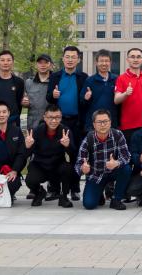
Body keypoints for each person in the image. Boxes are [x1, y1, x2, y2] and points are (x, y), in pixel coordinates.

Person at [48, 45, 88, 200]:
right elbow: (48, 98)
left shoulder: (83, 77)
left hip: (77, 122)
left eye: (73, 57)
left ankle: (74, 188)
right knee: (55, 153)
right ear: (63, 58)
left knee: (76, 154)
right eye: (67, 57)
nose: (70, 60)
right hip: (58, 122)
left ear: (78, 60)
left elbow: (84, 102)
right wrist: (53, 95)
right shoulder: (55, 76)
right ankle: (54, 188)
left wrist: (86, 99)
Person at [76, 108, 133, 210]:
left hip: (113, 171)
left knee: (126, 169)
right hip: (96, 175)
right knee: (89, 204)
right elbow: (78, 163)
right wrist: (83, 169)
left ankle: (116, 199)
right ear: (94, 124)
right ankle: (99, 194)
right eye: (99, 122)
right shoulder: (88, 139)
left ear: (110, 122)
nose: (103, 125)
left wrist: (117, 163)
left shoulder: (118, 135)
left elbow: (127, 156)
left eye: (105, 121)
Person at [24, 104, 75, 207]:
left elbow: (73, 154)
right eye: (50, 117)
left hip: (57, 165)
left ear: (61, 117)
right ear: (45, 118)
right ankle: (39, 192)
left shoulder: (65, 131)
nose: (54, 121)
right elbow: (26, 155)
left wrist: (67, 146)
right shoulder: (36, 131)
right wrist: (28, 147)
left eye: (57, 117)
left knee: (68, 169)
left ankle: (64, 196)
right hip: (40, 165)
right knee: (30, 180)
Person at [114, 47, 142, 140]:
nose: (135, 59)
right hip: (128, 125)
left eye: (138, 57)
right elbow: (116, 100)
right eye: (132, 57)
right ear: (127, 59)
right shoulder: (121, 78)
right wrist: (125, 94)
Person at [82, 49, 118, 130]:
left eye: (106, 61)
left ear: (110, 62)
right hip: (93, 124)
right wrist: (86, 98)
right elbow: (82, 103)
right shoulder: (89, 80)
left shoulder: (116, 79)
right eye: (101, 61)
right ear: (96, 62)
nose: (104, 63)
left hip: (112, 123)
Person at [25, 54, 54, 131]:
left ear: (51, 65)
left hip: (52, 125)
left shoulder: (56, 81)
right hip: (33, 125)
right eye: (40, 63)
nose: (43, 65)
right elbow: (24, 103)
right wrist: (24, 103)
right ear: (36, 65)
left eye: (46, 62)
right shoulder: (28, 83)